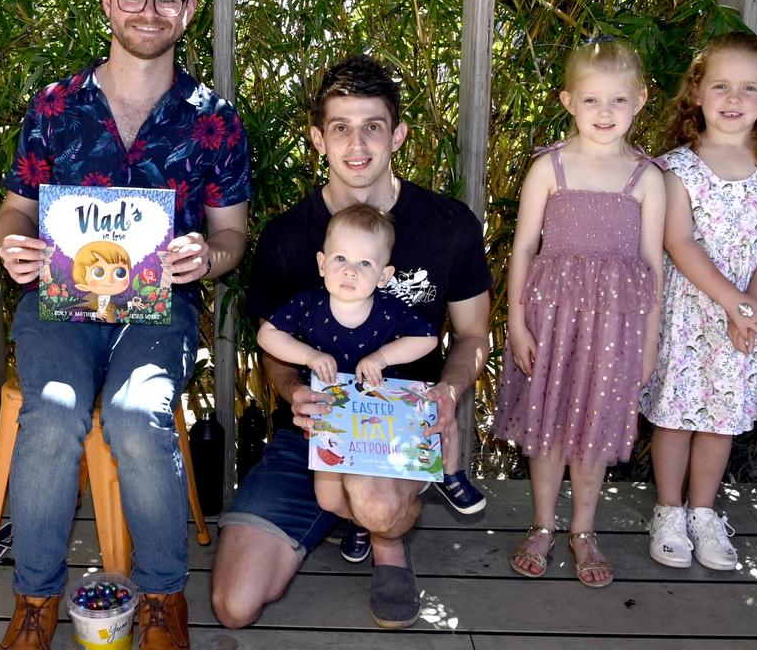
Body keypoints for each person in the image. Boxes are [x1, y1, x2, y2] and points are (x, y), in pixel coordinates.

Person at [0, 0, 250, 649]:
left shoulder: (214, 118)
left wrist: (209, 255)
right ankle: (36, 599)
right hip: (59, 304)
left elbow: (233, 234)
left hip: (158, 309)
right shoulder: (54, 106)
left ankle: (164, 597)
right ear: (109, 2)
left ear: (188, 10)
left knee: (137, 416)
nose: (148, 10)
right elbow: (16, 207)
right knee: (50, 415)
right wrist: (10, 243)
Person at [211, 55, 492, 630]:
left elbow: (471, 336)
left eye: (373, 126)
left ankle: (385, 538)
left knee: (374, 497)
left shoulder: (448, 225)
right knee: (234, 604)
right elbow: (274, 347)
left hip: (399, 423)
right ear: (318, 138)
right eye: (340, 126)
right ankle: (346, 516)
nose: (356, 142)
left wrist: (448, 392)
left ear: (398, 134)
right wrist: (294, 393)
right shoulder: (289, 238)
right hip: (309, 430)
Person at [493, 39, 665, 588]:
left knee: (593, 431)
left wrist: (648, 343)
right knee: (547, 428)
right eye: (592, 101)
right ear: (568, 100)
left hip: (614, 330)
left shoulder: (648, 178)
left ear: (639, 101)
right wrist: (517, 321)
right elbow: (523, 249)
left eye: (618, 100)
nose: (605, 113)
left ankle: (584, 530)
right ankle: (543, 524)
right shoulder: (550, 168)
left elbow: (651, 266)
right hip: (551, 321)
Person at [641, 31, 757, 571]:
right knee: (677, 415)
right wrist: (733, 303)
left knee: (721, 419)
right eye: (721, 86)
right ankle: (668, 510)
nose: (734, 100)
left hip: (749, 313)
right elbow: (678, 241)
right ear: (696, 91)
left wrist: (752, 308)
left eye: (749, 88)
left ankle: (704, 513)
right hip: (695, 311)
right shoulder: (675, 168)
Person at [256, 204, 439, 513]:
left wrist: (381, 357)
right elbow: (267, 336)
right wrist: (309, 355)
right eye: (340, 258)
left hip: (377, 418)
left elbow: (428, 338)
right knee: (328, 500)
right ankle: (355, 523)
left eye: (365, 263)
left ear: (384, 276)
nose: (350, 270)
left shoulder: (388, 308)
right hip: (330, 414)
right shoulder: (308, 304)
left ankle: (372, 519)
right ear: (322, 263)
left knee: (373, 490)